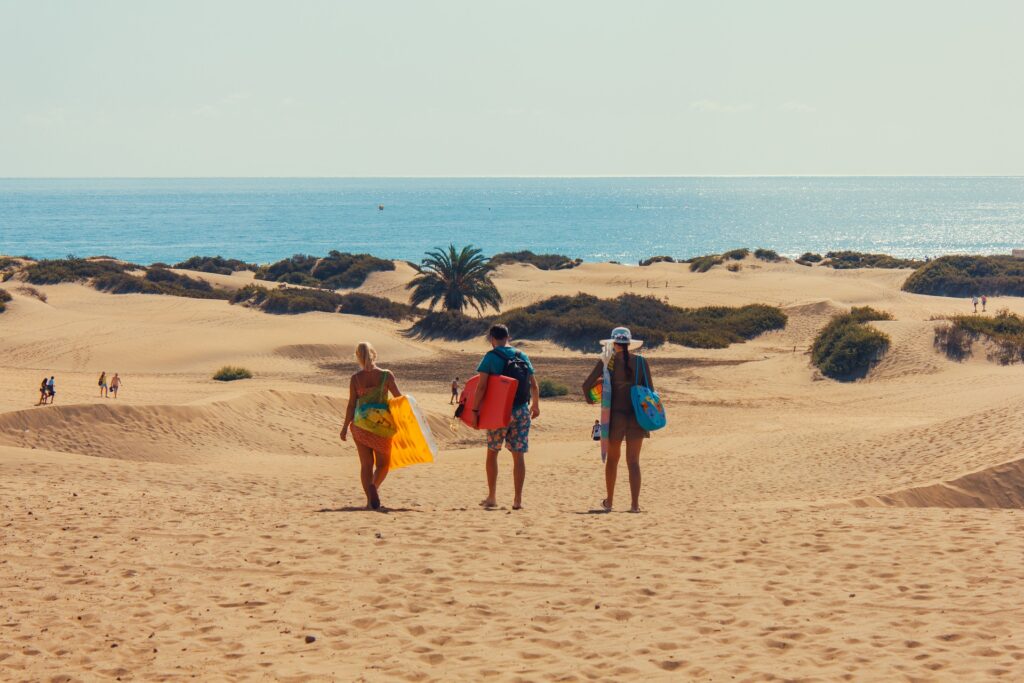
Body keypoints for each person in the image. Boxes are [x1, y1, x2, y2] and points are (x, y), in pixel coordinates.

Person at [469, 324, 539, 511]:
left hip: (499, 414)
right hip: (522, 411)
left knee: (493, 452)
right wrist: (536, 405)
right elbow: (533, 384)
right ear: (508, 336)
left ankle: (492, 497)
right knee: (519, 455)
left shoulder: (491, 357)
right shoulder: (521, 355)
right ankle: (517, 500)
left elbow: (481, 387)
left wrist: (475, 412)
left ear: (492, 338)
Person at [583, 327, 652, 513]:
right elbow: (650, 391)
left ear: (614, 343)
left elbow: (586, 385)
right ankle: (635, 505)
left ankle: (610, 502)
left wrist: (592, 399)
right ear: (629, 344)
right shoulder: (641, 363)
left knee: (613, 460)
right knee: (634, 462)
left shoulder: (608, 362)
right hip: (637, 418)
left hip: (615, 418)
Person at [339, 342, 402, 510]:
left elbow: (351, 405)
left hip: (360, 426)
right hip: (382, 427)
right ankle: (374, 485)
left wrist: (345, 427)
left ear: (358, 357)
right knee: (383, 465)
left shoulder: (355, 379)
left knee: (366, 465)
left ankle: (369, 501)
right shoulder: (386, 375)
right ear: (374, 354)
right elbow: (398, 399)